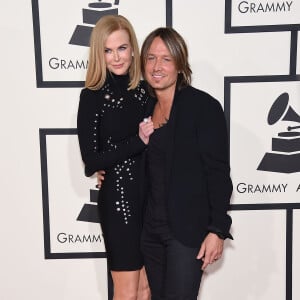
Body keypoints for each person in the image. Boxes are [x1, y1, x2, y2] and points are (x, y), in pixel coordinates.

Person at [138, 27, 233, 299]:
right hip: (150, 234)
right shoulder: (143, 109)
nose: (157, 67)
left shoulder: (203, 107)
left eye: (166, 59)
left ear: (180, 64)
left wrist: (217, 230)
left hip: (186, 233)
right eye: (151, 58)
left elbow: (218, 173)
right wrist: (103, 169)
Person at [77, 15, 151, 300]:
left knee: (147, 288)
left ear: (133, 48)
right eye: (108, 50)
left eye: (121, 48)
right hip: (119, 202)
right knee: (127, 289)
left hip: (151, 199)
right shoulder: (92, 96)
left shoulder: (146, 92)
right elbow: (91, 161)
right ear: (99, 54)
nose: (116, 57)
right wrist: (137, 142)